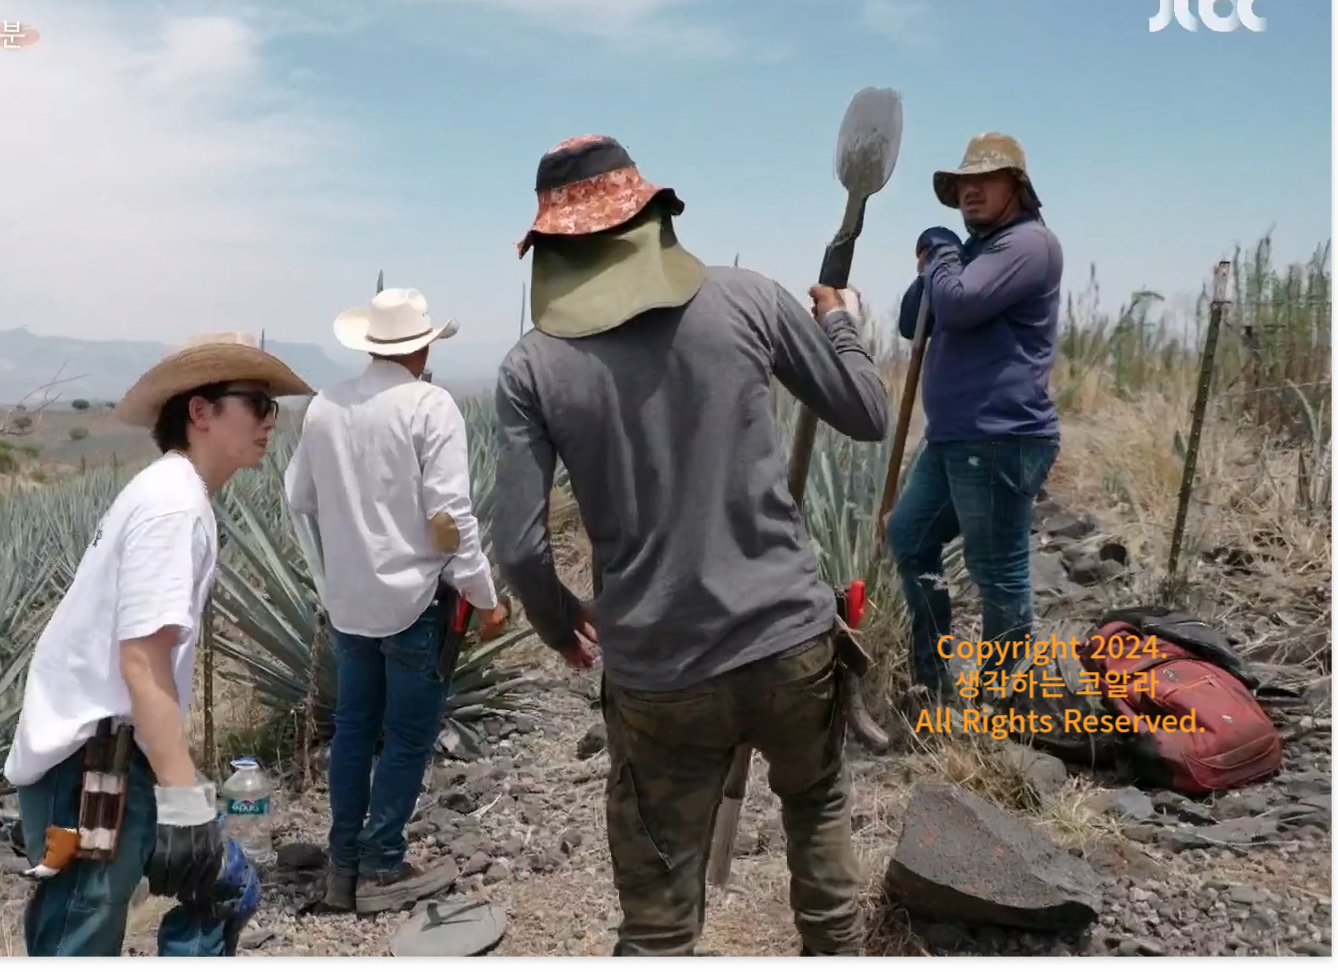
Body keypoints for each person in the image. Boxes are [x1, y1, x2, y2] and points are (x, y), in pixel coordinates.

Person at [490, 134, 888, 956]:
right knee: (815, 801)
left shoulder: (534, 367)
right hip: (790, 644)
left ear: (553, 251)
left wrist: (564, 622)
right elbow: (866, 412)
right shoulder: (747, 299)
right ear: (649, 216)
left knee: (660, 916)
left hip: (661, 672)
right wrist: (841, 327)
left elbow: (520, 548)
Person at [3, 332, 311, 957]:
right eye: (256, 403)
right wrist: (185, 803)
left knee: (211, 892)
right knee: (78, 940)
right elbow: (142, 664)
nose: (270, 421)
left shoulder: (171, 492)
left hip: (105, 755)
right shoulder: (173, 506)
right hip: (91, 766)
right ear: (200, 411)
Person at [283, 286, 506, 915]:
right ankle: (383, 865)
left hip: (349, 602)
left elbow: (299, 495)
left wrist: (353, 516)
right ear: (425, 343)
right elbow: (450, 514)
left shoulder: (324, 407)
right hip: (415, 602)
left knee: (354, 729)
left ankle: (343, 866)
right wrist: (485, 597)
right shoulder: (430, 406)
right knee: (407, 736)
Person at [888, 132, 1063, 703]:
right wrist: (938, 260)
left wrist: (940, 251)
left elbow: (958, 305)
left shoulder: (1027, 246)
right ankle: (935, 681)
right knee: (910, 537)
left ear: (1017, 185)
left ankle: (1004, 704)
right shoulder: (977, 252)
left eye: (984, 180)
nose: (970, 192)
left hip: (999, 439)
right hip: (957, 440)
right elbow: (915, 320)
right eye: (963, 184)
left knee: (999, 573)